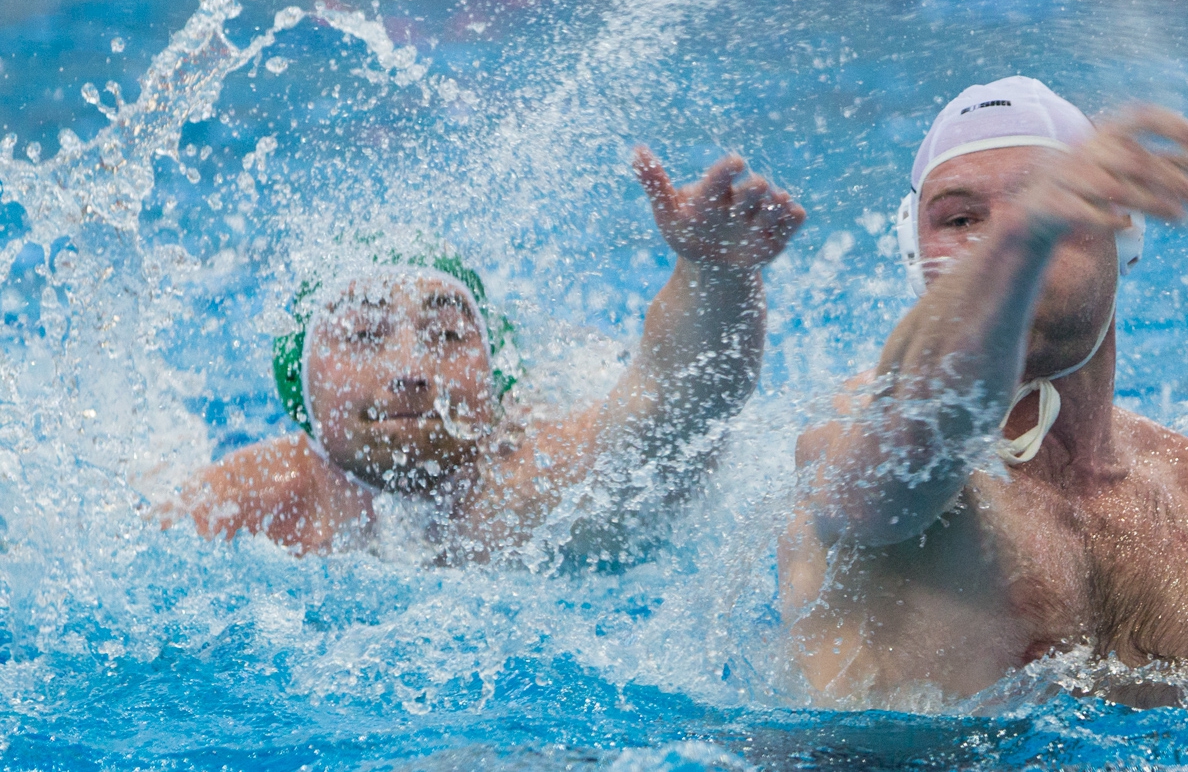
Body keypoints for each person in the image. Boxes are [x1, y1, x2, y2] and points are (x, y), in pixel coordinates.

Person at [778, 76, 1188, 716]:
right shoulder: (852, 439)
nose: (999, 239)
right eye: (961, 220)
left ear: (1121, 234)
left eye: (1046, 213)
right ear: (914, 253)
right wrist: (1022, 238)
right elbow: (913, 448)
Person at [173, 147, 805, 562]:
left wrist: (713, 274)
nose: (410, 370)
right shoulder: (240, 505)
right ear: (298, 383)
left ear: (493, 369)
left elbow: (676, 408)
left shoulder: (519, 485)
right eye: (365, 335)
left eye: (448, 336)